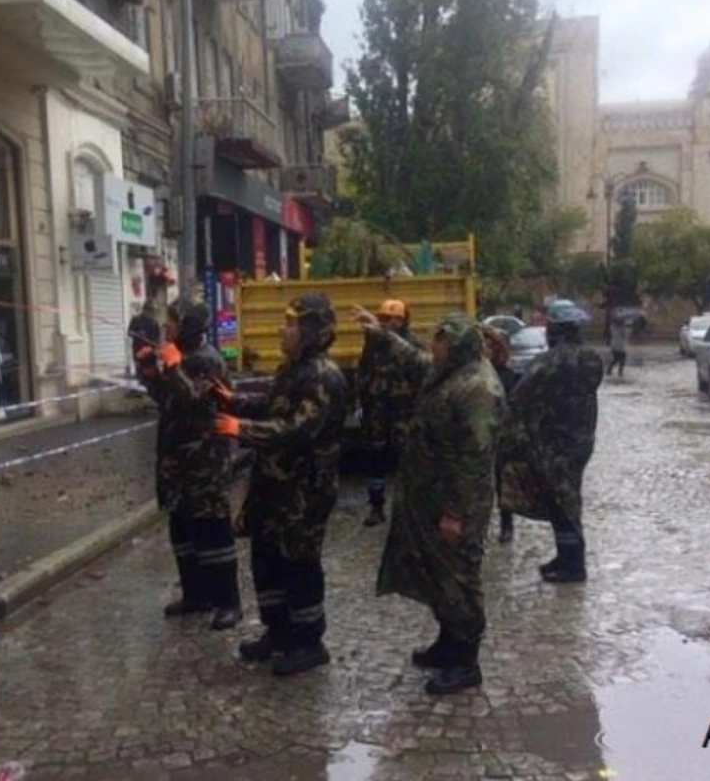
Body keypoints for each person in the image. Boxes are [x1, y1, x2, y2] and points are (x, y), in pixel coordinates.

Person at [360, 307, 505, 695]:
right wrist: (381, 335)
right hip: (429, 497)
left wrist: (456, 513)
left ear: (455, 345)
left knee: (460, 577)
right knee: (439, 575)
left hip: (457, 505)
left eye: (439, 340)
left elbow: (474, 460)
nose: (433, 347)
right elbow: (414, 359)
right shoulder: (450, 372)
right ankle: (448, 643)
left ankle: (466, 661)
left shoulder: (477, 389)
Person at [210, 292, 349, 677]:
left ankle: (308, 641)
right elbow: (271, 406)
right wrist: (232, 401)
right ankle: (278, 631)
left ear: (311, 331)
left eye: (290, 324)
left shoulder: (325, 376)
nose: (281, 330)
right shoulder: (292, 370)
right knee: (266, 560)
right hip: (272, 485)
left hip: (304, 493)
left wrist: (241, 429)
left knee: (299, 564)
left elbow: (296, 430)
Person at [140, 298, 242, 630]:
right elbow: (167, 400)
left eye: (171, 321)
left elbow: (192, 400)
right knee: (182, 529)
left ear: (188, 325)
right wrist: (150, 371)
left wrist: (171, 366)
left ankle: (228, 602)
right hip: (176, 460)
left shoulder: (207, 361)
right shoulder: (182, 358)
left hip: (205, 462)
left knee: (212, 531)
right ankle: (195, 594)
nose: (166, 326)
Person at [499, 308, 603, 584]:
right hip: (582, 440)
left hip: (555, 446)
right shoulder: (592, 358)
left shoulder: (549, 361)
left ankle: (573, 565)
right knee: (567, 499)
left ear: (556, 330)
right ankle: (565, 556)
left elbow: (520, 396)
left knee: (563, 503)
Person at [355, 299, 426, 527]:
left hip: (405, 414)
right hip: (377, 412)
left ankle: (409, 510)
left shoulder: (413, 344)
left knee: (408, 462)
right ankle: (376, 508)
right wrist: (363, 400)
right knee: (376, 461)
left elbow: (423, 372)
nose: (391, 323)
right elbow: (364, 371)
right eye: (386, 318)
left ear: (405, 320)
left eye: (397, 318)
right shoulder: (373, 343)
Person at [479, 324, 521, 545]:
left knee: (503, 482)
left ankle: (507, 525)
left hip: (501, 438)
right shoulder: (470, 375)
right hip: (476, 439)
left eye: (490, 345)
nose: (485, 349)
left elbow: (516, 407)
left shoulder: (508, 375)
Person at [128, 300, 162, 384]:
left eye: (153, 311)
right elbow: (129, 332)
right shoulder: (136, 320)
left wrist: (155, 347)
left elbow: (157, 338)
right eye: (150, 310)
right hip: (139, 350)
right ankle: (139, 387)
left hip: (150, 351)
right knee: (140, 371)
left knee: (152, 372)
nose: (151, 313)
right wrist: (138, 333)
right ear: (145, 309)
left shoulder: (154, 322)